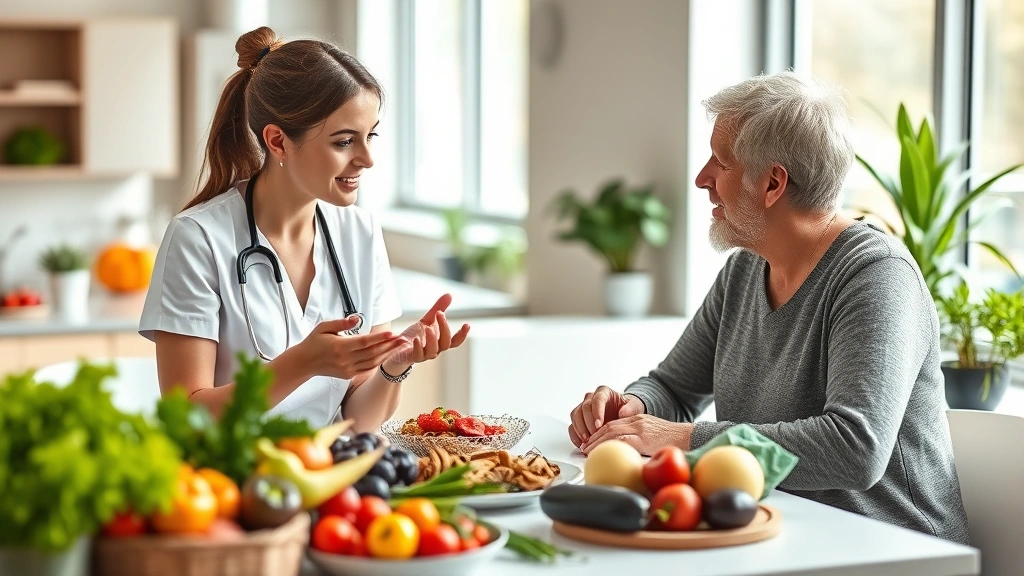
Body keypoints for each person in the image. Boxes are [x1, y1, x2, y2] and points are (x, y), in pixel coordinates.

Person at [568, 72, 970, 544]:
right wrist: (633, 407)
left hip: (896, 550)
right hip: (785, 539)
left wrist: (681, 438)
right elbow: (674, 387)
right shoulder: (744, 271)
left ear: (773, 183)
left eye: (720, 163)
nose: (702, 179)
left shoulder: (876, 276)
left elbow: (855, 449)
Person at [140, 27, 469, 432]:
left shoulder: (360, 233)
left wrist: (393, 366)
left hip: (326, 476)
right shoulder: (198, 238)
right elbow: (186, 419)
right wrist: (303, 362)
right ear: (278, 142)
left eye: (371, 136)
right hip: (226, 483)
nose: (367, 159)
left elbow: (359, 420)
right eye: (345, 142)